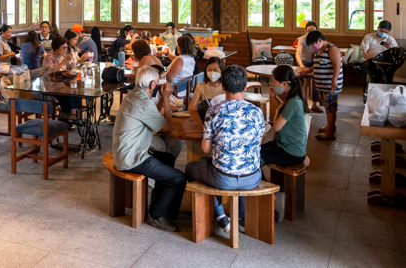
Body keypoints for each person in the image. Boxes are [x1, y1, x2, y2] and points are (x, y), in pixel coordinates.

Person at [185, 65, 264, 233]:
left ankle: (219, 214)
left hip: (222, 178)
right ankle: (241, 218)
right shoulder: (257, 112)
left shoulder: (213, 111)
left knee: (191, 168)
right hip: (253, 178)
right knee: (242, 165)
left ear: (222, 86)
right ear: (245, 87)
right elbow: (258, 142)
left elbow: (205, 148)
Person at [112, 66, 187, 232]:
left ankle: (160, 206)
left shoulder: (136, 95)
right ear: (154, 83)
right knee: (178, 178)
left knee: (167, 159)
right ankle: (157, 216)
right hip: (132, 157)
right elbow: (166, 127)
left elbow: (153, 113)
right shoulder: (142, 102)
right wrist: (166, 98)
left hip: (127, 151)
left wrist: (161, 98)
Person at [261, 65, 308, 222]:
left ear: (284, 84)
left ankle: (271, 198)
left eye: (274, 82)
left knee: (255, 159)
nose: (272, 85)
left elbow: (277, 126)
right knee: (256, 151)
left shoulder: (292, 103)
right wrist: (276, 100)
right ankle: (268, 194)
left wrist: (277, 108)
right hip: (287, 147)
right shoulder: (293, 98)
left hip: (291, 153)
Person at [306, 30, 343, 141]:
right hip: (322, 85)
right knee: (328, 107)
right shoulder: (320, 49)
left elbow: (337, 65)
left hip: (329, 86)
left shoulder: (332, 49)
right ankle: (331, 126)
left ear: (320, 40)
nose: (313, 47)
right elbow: (317, 63)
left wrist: (334, 81)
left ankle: (329, 132)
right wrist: (307, 71)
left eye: (313, 44)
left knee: (331, 108)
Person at [42, 36, 82, 120]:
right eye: (63, 48)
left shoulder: (60, 56)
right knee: (67, 94)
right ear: (56, 47)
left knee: (75, 91)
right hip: (49, 84)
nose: (65, 50)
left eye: (66, 48)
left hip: (59, 83)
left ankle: (71, 116)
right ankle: (68, 118)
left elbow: (63, 71)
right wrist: (64, 61)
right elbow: (51, 72)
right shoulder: (49, 57)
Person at [295, 21, 323, 113]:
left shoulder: (319, 40)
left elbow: (320, 54)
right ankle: (305, 105)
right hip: (304, 63)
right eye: (308, 31)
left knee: (315, 82)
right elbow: (297, 55)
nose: (310, 33)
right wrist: (302, 67)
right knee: (305, 82)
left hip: (314, 62)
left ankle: (314, 105)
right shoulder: (302, 39)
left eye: (313, 30)